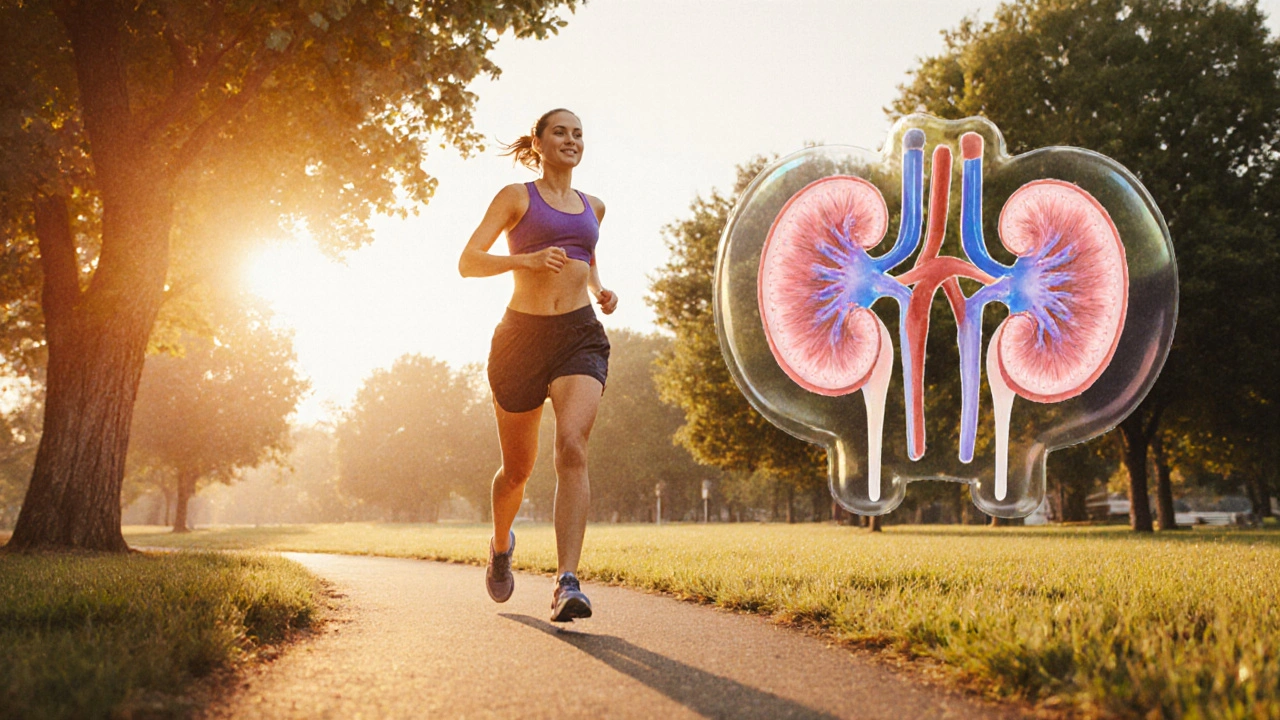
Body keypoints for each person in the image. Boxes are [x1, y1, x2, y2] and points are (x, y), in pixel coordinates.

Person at [458, 108, 617, 622]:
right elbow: (468, 262)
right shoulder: (515, 197)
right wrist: (523, 260)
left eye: (578, 133)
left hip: (579, 336)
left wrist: (599, 290)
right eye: (560, 132)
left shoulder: (594, 205)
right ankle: (501, 544)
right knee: (517, 471)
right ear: (540, 142)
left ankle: (567, 581)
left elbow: (585, 257)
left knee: (572, 445)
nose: (571, 140)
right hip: (520, 340)